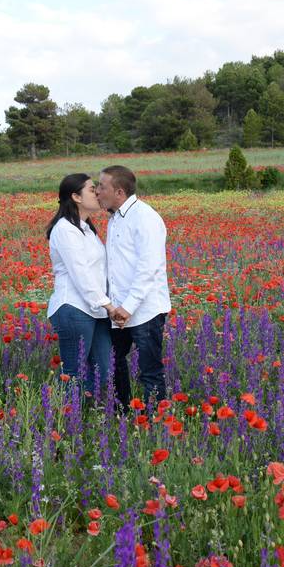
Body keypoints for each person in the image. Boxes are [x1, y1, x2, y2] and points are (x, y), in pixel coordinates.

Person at [96, 165, 171, 409]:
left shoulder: (145, 218)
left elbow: (148, 268)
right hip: (119, 310)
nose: (97, 191)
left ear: (119, 192)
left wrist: (127, 307)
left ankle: (155, 422)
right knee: (114, 362)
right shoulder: (115, 219)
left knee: (149, 370)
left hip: (145, 310)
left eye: (102, 186)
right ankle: (122, 412)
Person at [46, 173, 116, 394]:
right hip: (74, 308)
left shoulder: (86, 229)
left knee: (103, 371)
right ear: (76, 197)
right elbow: (81, 273)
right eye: (91, 189)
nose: (96, 193)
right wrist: (108, 305)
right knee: (74, 374)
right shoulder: (64, 229)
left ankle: (86, 418)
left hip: (96, 310)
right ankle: (61, 421)